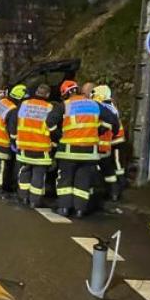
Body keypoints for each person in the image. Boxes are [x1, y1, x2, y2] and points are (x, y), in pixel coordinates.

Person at [46, 80, 118, 218]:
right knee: (83, 182)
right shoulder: (94, 104)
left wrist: (58, 137)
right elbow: (113, 119)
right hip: (89, 153)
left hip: (68, 151)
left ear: (65, 94)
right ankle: (80, 210)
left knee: (65, 181)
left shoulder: (64, 105)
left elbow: (49, 122)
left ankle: (64, 209)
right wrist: (101, 130)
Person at [10, 84, 55, 208]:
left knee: (24, 173)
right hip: (41, 148)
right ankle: (34, 201)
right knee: (38, 176)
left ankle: (23, 198)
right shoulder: (50, 107)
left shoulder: (24, 104)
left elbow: (13, 123)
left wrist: (14, 140)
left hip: (24, 147)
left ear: (36, 92)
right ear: (47, 95)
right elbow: (53, 127)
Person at [92, 84, 126, 201]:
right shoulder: (111, 106)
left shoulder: (104, 107)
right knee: (110, 169)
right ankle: (114, 192)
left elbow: (105, 125)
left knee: (108, 168)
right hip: (109, 142)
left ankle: (112, 190)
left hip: (106, 142)